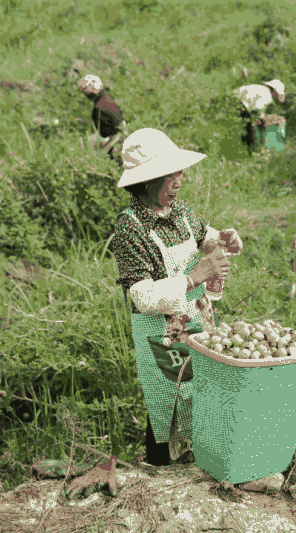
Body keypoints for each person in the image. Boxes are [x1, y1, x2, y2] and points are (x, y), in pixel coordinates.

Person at [63, 128, 244, 499]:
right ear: (146, 181)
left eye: (179, 173)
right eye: (170, 175)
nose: (179, 181)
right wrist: (195, 275)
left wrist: (221, 239)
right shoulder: (131, 227)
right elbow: (141, 294)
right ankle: (159, 479)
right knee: (168, 400)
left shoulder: (178, 210)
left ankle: (202, 465)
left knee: (204, 390)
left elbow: (201, 233)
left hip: (196, 318)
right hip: (160, 331)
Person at [78, 74, 126, 162]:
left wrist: (104, 151)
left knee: (84, 145)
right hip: (120, 132)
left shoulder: (98, 109)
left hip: (113, 138)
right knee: (86, 141)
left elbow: (114, 134)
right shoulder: (107, 99)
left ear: (88, 95)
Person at [233, 79, 285, 151]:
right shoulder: (267, 95)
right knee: (253, 130)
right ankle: (255, 150)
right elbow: (256, 111)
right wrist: (265, 120)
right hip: (239, 107)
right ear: (274, 91)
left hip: (233, 103)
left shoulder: (259, 89)